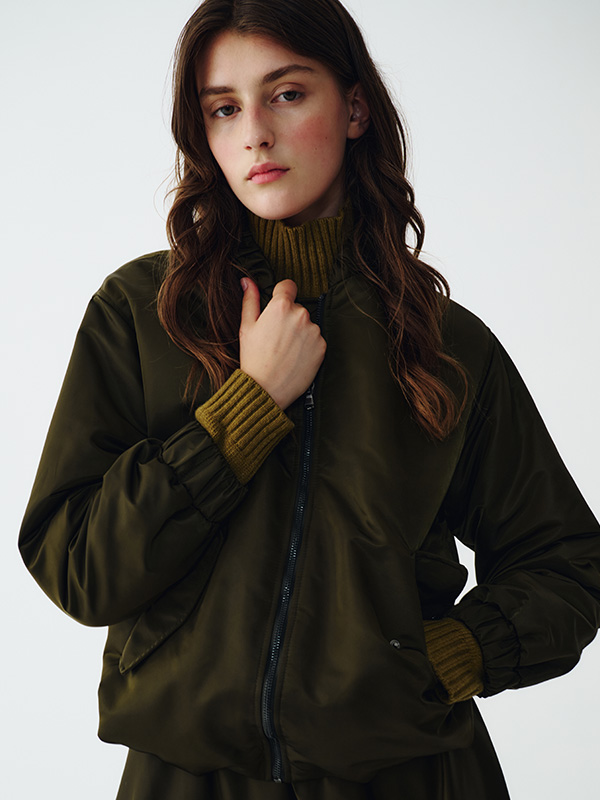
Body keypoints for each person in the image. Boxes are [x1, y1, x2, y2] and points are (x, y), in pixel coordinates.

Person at [18, 0, 600, 797]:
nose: (255, 133)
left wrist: (451, 656)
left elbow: (567, 565)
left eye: (287, 94)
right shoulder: (144, 315)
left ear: (355, 109)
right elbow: (79, 565)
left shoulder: (447, 345)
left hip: (407, 777)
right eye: (224, 108)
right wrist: (247, 410)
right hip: (188, 780)